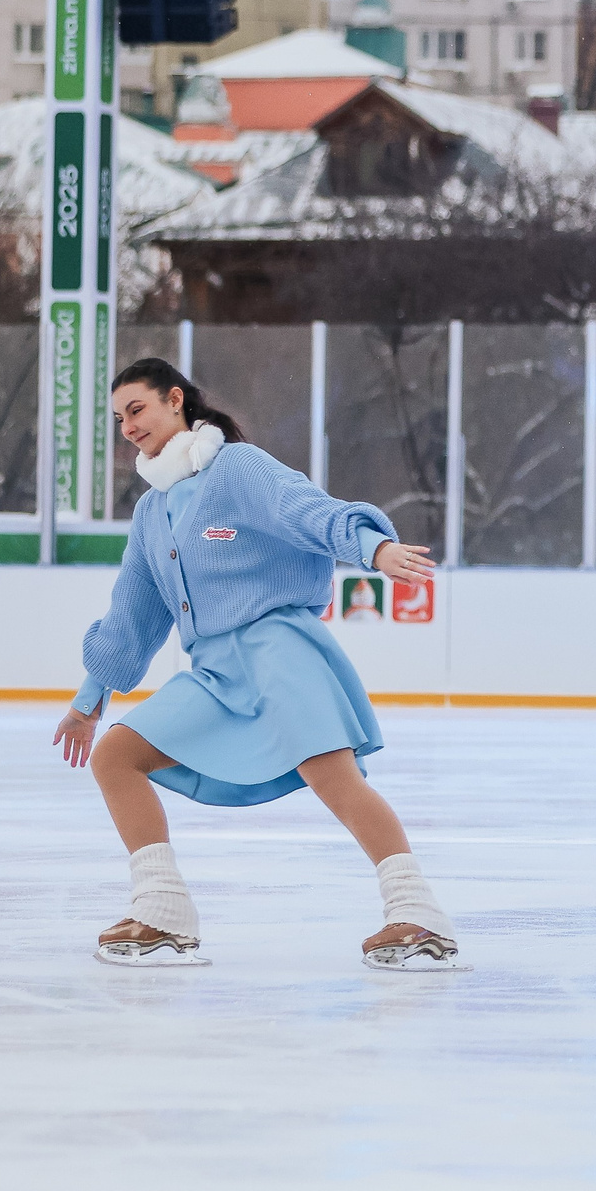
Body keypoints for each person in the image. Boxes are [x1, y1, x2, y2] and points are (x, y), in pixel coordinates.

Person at [51, 359, 463, 972]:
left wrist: (373, 548)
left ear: (174, 400)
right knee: (117, 755)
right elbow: (131, 619)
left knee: (335, 780)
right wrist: (89, 701)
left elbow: (309, 512)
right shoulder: (151, 514)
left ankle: (417, 914)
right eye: (118, 419)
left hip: (280, 653)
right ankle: (163, 909)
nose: (128, 427)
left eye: (136, 410)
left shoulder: (236, 468)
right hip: (215, 673)